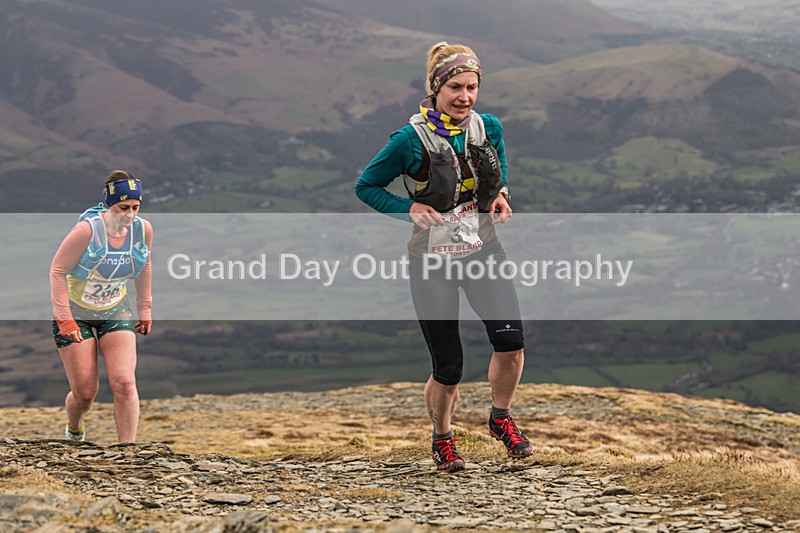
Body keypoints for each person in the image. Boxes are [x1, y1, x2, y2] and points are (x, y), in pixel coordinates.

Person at [355, 42, 531, 471]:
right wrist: (407, 208)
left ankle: (501, 418)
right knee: (449, 366)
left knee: (511, 344)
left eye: (472, 87)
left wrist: (502, 192)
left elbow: (499, 158)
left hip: (483, 250)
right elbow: (367, 186)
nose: (465, 97)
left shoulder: (487, 126)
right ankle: (443, 440)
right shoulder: (408, 140)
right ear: (436, 88)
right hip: (431, 261)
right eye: (455, 87)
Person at [50, 170, 153, 443]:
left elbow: (144, 266)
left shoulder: (143, 229)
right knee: (85, 393)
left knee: (125, 382)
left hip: (115, 309)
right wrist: (65, 320)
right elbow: (57, 271)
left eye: (135, 207)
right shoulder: (87, 230)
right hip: (76, 313)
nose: (129, 214)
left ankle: (126, 452)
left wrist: (145, 309)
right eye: (123, 207)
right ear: (109, 205)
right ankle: (75, 427)